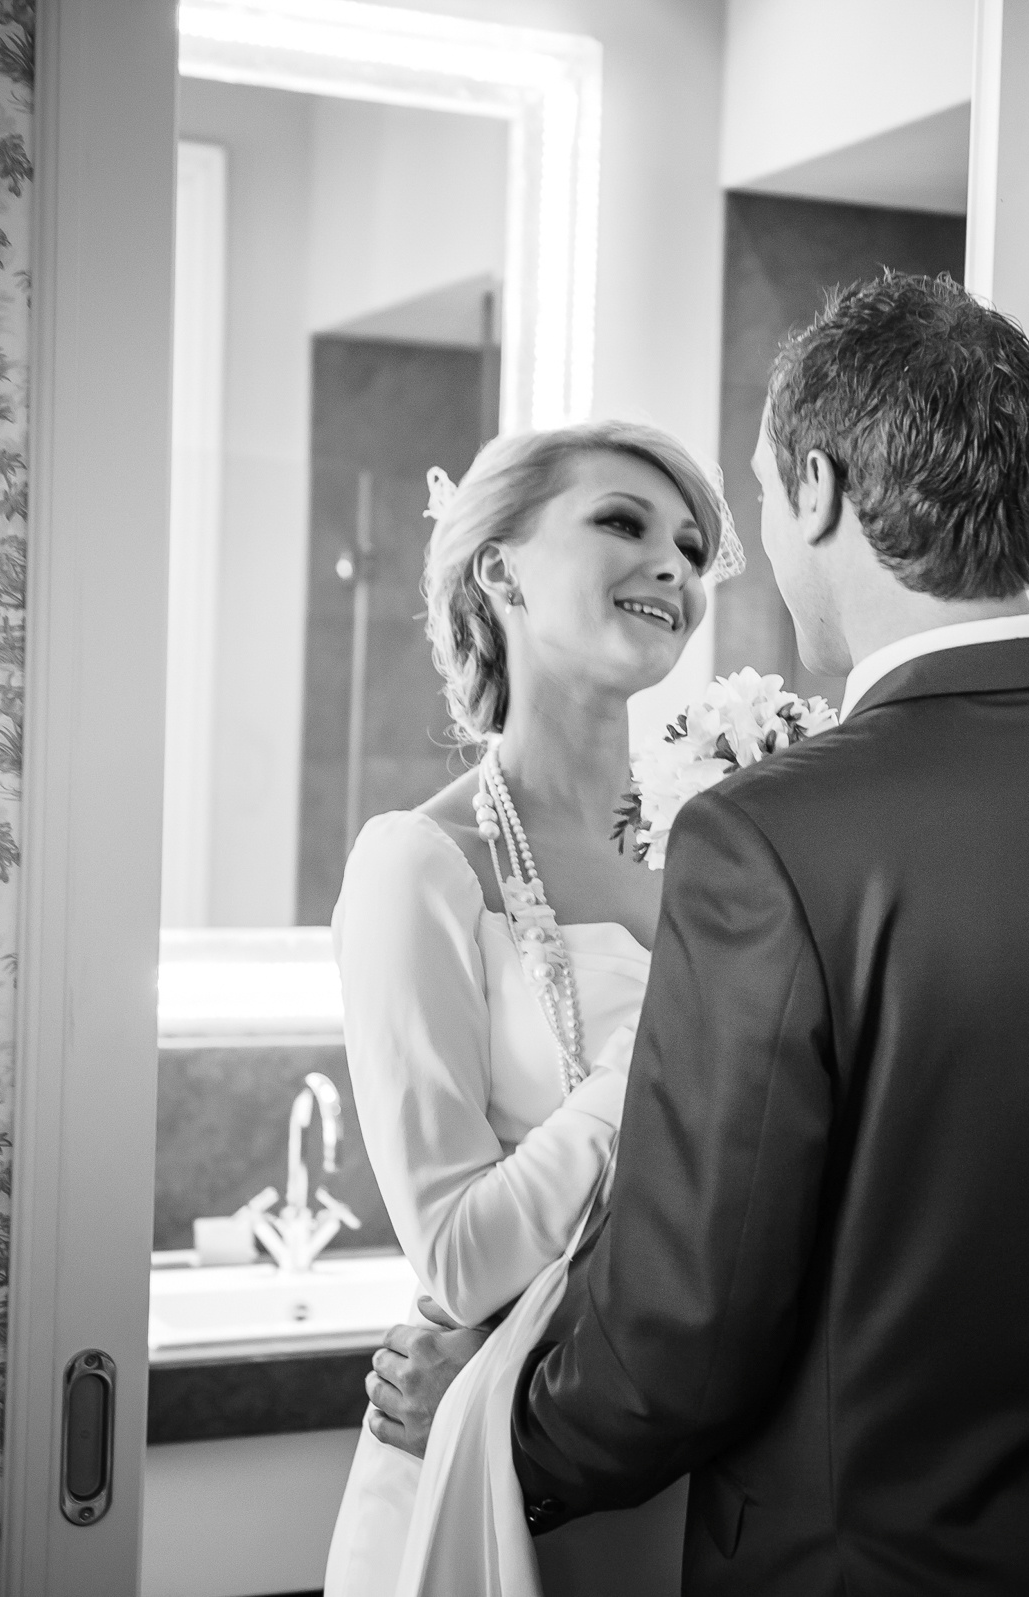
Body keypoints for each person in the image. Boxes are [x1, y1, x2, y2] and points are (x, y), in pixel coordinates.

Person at [372, 273, 1029, 1596]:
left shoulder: (767, 834)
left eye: (746, 502)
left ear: (815, 488)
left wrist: (497, 1420)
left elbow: (688, 1331)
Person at [322, 420, 742, 1596]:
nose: (675, 566)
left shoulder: (726, 850)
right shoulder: (422, 864)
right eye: (624, 523)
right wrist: (671, 1051)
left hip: (710, 1473)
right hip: (502, 1482)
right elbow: (456, 1258)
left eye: (693, 547)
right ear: (499, 570)